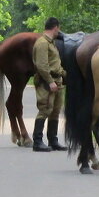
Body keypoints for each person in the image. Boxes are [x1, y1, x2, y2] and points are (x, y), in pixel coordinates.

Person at [31, 17, 67, 152]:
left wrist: (65, 75)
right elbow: (42, 65)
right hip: (47, 82)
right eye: (59, 28)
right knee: (45, 109)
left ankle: (53, 140)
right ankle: (37, 141)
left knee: (55, 111)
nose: (59, 31)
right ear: (55, 27)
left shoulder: (51, 43)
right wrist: (50, 81)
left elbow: (55, 64)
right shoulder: (42, 43)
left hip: (58, 80)